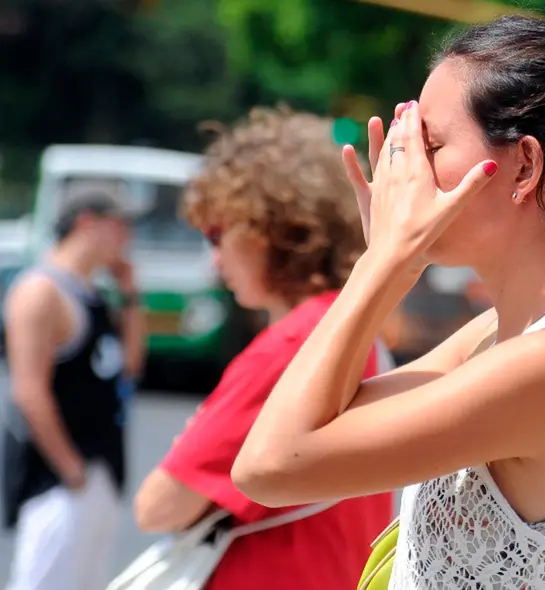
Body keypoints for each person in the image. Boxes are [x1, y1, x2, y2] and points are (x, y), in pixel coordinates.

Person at [233, 17, 545, 588]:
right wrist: (389, 262)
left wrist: (382, 263)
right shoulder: (499, 336)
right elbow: (321, 421)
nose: (403, 171)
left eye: (429, 146)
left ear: (525, 167)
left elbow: (270, 465)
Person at [132, 107, 394, 590]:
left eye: (217, 234)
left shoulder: (294, 344)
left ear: (266, 229)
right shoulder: (352, 324)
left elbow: (158, 506)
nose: (213, 259)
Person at [2, 190, 146, 590]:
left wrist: (131, 293)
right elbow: (29, 392)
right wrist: (72, 471)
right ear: (87, 222)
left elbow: (129, 365)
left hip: (101, 467)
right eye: (120, 225)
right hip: (57, 479)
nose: (127, 236)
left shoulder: (92, 291)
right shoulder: (41, 291)